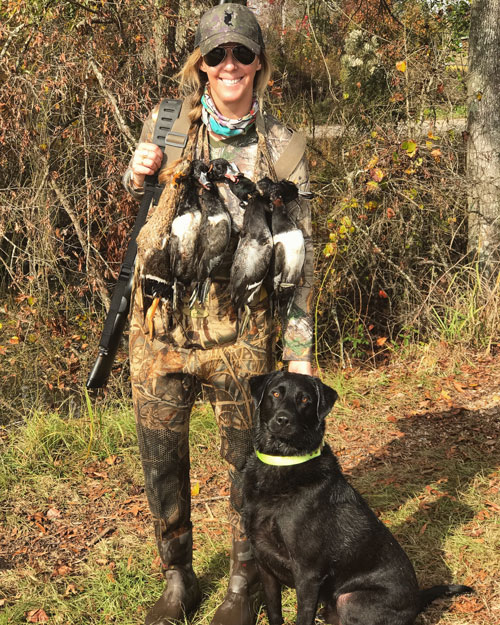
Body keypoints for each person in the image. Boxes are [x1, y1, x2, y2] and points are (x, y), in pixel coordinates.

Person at [122, 4, 313, 625]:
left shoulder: (285, 148)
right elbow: (139, 188)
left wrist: (300, 347)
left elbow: (299, 256)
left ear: (260, 64)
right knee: (161, 458)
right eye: (217, 55)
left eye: (242, 54)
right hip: (161, 327)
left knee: (246, 464)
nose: (230, 65)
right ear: (200, 66)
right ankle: (177, 578)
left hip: (242, 330)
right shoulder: (170, 121)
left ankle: (241, 583)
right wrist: (137, 169)